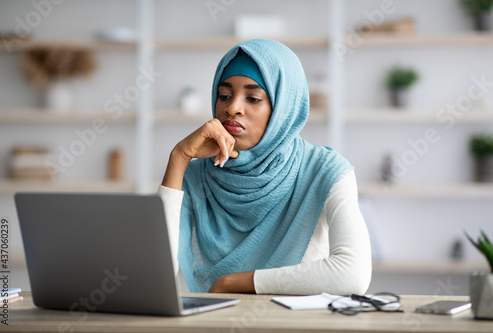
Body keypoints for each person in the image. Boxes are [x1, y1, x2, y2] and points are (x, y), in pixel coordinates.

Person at [159, 39, 371, 295]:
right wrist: (179, 156)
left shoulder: (324, 170)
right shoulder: (194, 176)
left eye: (253, 98)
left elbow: (353, 275)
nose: (232, 108)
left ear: (283, 109)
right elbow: (155, 277)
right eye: (224, 95)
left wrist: (233, 282)